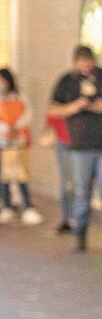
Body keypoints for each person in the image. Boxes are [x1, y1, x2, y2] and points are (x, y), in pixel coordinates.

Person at [47, 46, 102, 252]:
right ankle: (80, 235)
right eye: (81, 62)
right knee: (82, 192)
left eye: (88, 62)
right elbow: (53, 110)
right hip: (80, 146)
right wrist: (75, 106)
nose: (85, 66)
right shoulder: (67, 81)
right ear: (75, 62)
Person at [0, 68, 42, 225]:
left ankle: (27, 206)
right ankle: (7, 206)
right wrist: (4, 128)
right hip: (2, 142)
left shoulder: (20, 95)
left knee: (22, 174)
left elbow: (27, 114)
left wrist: (15, 127)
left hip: (19, 141)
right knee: (4, 176)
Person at [44, 112, 74, 232]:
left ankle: (78, 218)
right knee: (67, 183)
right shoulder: (62, 92)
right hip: (64, 142)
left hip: (85, 144)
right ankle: (67, 218)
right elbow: (51, 113)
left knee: (80, 184)